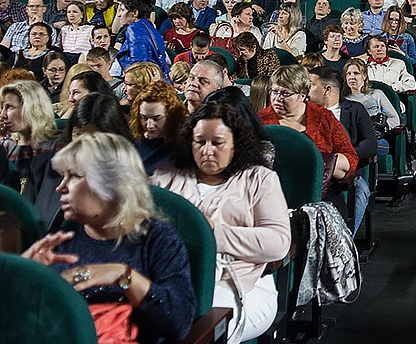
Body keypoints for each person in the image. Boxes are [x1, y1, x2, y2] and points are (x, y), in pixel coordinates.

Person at [22, 132, 197, 343]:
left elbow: (178, 323)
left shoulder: (159, 240)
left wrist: (123, 275)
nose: (60, 187)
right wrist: (25, 276)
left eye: (75, 176)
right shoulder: (61, 236)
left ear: (112, 183)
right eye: (63, 176)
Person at [152, 101, 291, 342]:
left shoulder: (259, 179)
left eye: (217, 143)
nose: (207, 151)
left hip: (239, 284)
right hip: (169, 277)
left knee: (194, 325)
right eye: (199, 142)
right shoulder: (165, 176)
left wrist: (210, 234)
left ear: (235, 144)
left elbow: (278, 242)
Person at [258, 65, 359, 194]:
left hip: (321, 190)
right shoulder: (260, 120)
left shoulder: (323, 117)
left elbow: (350, 158)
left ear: (302, 95)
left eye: (285, 93)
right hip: (270, 192)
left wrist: (321, 163)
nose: (277, 98)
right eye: (274, 91)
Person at [308, 66, 377, 235]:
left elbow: (370, 143)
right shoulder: (305, 111)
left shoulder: (355, 110)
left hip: (347, 172)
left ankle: (345, 243)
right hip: (313, 170)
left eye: (310, 85)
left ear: (327, 90)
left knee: (360, 193)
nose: (305, 89)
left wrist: (343, 156)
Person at [3, 79, 64, 230]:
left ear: (30, 108)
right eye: (2, 108)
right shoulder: (7, 147)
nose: (3, 115)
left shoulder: (55, 147)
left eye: (9, 107)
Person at [128, 80, 186, 174]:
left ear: (171, 116)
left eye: (157, 119)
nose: (149, 125)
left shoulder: (182, 149)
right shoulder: (133, 142)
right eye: (144, 118)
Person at [117, 0, 172, 80]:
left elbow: (138, 66)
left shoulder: (134, 29)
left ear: (135, 12)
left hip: (146, 85)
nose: (119, 14)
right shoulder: (150, 27)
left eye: (122, 10)